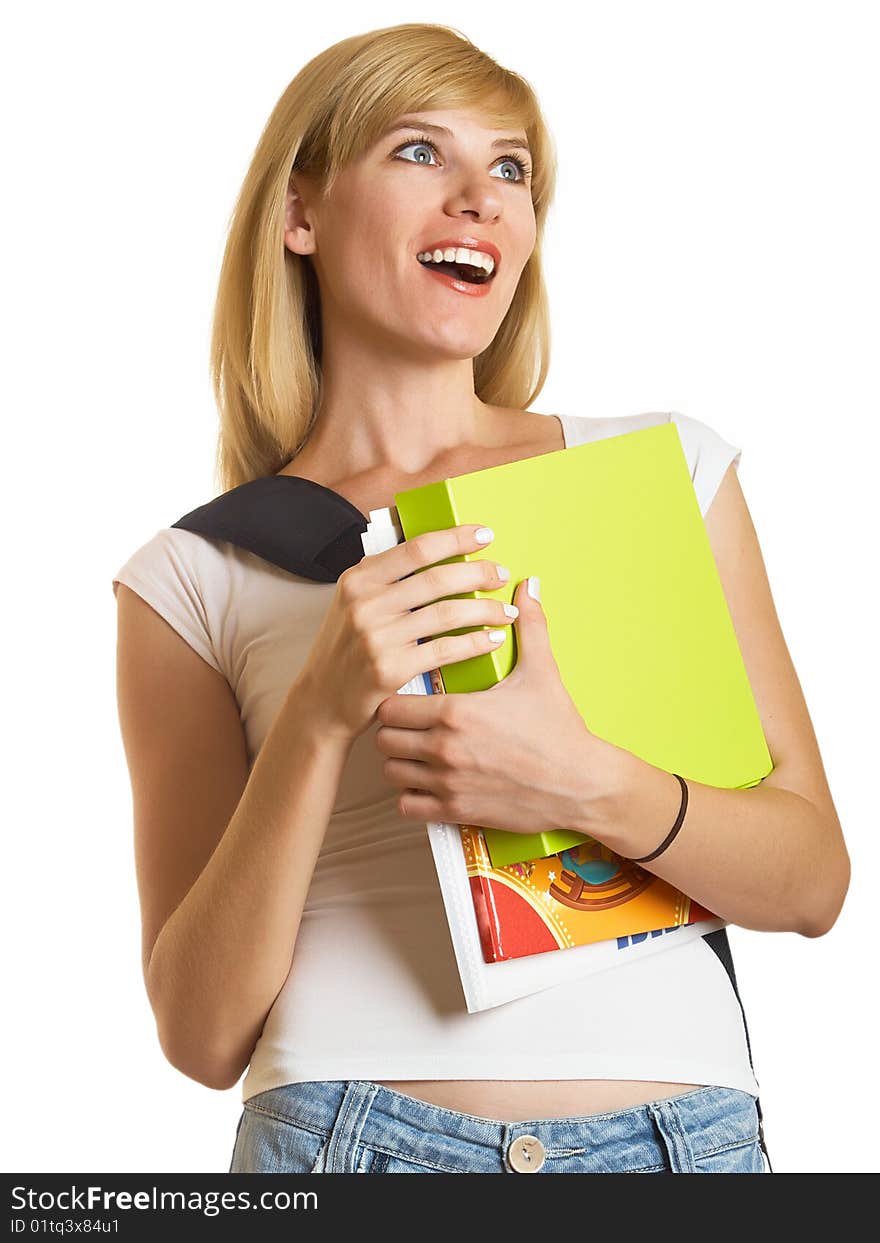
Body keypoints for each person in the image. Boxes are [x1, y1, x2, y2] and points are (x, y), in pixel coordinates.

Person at [112, 22, 849, 1175]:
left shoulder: (666, 470)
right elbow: (201, 1034)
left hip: (679, 1142)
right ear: (298, 216)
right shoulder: (193, 573)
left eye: (509, 170)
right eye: (419, 153)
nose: (481, 200)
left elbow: (812, 882)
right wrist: (316, 714)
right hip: (343, 1139)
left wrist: (587, 783)